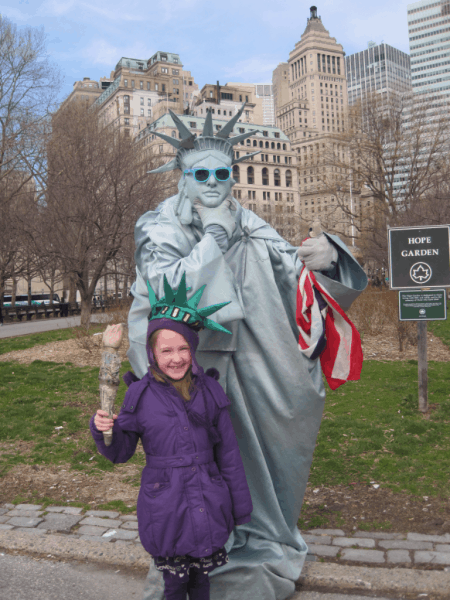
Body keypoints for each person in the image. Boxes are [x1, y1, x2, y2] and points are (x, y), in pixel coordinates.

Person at [128, 106, 367, 600]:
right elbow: (162, 288)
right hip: (189, 366)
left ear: (232, 176)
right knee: (198, 457)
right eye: (201, 174)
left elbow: (290, 273)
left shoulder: (249, 220)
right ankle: (197, 547)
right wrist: (213, 238)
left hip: (254, 351)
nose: (213, 182)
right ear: (183, 177)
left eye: (222, 173)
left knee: (266, 442)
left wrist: (325, 258)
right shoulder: (159, 225)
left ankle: (258, 532)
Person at [90, 275, 252, 600]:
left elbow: (230, 455)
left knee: (202, 581)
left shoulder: (210, 391)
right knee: (175, 585)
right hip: (167, 506)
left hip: (208, 498)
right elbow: (120, 452)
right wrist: (104, 429)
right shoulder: (139, 395)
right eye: (166, 350)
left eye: (183, 348)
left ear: (193, 349)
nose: (175, 358)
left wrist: (240, 506)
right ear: (152, 353)